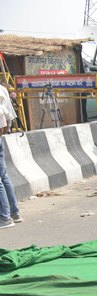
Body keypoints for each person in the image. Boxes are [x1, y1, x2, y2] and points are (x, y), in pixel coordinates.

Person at [0, 83, 21, 229]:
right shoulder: (2, 90)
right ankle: (14, 213)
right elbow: (8, 119)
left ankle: (5, 217)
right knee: (4, 177)